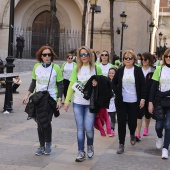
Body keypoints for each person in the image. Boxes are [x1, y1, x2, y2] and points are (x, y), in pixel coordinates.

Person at [22, 45, 63, 156]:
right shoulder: (36, 67)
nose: (47, 57)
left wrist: (59, 99)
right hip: (38, 98)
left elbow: (60, 84)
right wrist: (27, 95)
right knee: (40, 123)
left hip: (51, 99)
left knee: (46, 122)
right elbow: (33, 82)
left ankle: (48, 144)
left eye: (49, 54)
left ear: (52, 56)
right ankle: (41, 146)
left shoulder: (56, 68)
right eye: (44, 55)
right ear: (40, 56)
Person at [64, 46, 102, 162]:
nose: (84, 56)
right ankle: (81, 151)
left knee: (89, 128)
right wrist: (67, 101)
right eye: (81, 55)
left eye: (86, 54)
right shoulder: (77, 68)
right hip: (78, 102)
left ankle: (90, 145)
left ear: (90, 55)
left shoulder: (96, 68)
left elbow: (104, 84)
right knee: (80, 128)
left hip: (91, 103)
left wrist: (97, 84)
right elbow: (71, 85)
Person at [112, 50, 145, 154]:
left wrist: (143, 99)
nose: (127, 60)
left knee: (132, 122)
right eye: (125, 58)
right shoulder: (120, 70)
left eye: (130, 58)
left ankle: (132, 133)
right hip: (121, 101)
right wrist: (117, 91)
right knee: (121, 122)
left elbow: (143, 86)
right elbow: (113, 83)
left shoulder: (138, 70)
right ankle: (121, 144)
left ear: (134, 60)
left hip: (134, 101)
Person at [148, 48, 170, 159]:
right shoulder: (160, 69)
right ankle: (159, 136)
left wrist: (165, 93)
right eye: (166, 56)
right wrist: (150, 102)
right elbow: (153, 87)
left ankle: (165, 148)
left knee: (168, 125)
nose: (168, 58)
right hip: (160, 102)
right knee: (159, 126)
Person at [135, 52, 155, 141]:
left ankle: (146, 127)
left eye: (145, 59)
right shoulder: (138, 70)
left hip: (150, 95)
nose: (143, 61)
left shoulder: (153, 70)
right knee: (139, 114)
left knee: (148, 114)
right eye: (142, 59)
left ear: (149, 60)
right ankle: (137, 133)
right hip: (140, 95)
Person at [107, 68, 117, 137]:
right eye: (110, 73)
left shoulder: (117, 82)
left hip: (114, 103)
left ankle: (112, 129)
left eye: (113, 73)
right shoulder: (106, 82)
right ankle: (108, 128)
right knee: (106, 117)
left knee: (113, 117)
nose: (111, 74)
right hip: (107, 103)